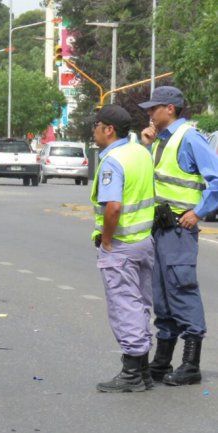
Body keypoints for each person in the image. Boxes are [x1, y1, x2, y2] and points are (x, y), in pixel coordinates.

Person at [138, 86, 218, 386]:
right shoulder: (160, 141)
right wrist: (147, 146)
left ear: (170, 109)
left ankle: (191, 364)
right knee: (163, 294)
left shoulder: (190, 138)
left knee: (181, 289)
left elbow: (216, 180)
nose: (149, 113)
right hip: (160, 229)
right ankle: (162, 361)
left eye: (154, 108)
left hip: (180, 230)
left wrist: (198, 212)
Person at [90, 104, 156, 393]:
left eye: (96, 126)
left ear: (109, 129)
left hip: (121, 246)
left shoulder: (113, 161)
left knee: (124, 306)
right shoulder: (140, 152)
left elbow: (113, 207)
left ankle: (131, 373)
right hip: (143, 242)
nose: (93, 131)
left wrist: (106, 240)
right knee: (139, 304)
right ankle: (143, 370)